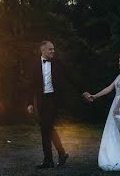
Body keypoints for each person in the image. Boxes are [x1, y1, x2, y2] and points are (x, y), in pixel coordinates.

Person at [26, 40, 91, 169]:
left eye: (53, 49)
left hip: (53, 99)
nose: (53, 51)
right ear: (43, 50)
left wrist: (83, 91)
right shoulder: (34, 65)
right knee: (46, 128)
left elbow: (71, 77)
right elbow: (31, 85)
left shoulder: (58, 63)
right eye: (50, 49)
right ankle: (61, 154)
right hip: (41, 99)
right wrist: (29, 103)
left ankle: (49, 160)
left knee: (46, 127)